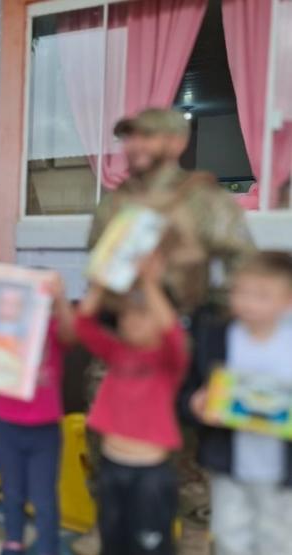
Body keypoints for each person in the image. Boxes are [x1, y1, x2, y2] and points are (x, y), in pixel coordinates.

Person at [87, 108, 254, 314]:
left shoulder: (202, 197)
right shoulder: (115, 200)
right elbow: (96, 260)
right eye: (130, 137)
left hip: (180, 320)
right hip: (117, 320)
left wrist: (218, 314)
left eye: (147, 136)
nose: (135, 145)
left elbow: (243, 260)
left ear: (178, 143)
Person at [76, 253, 188, 555]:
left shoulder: (168, 361)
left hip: (150, 476)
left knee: (150, 546)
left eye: (143, 314)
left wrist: (150, 284)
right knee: (113, 542)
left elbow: (174, 335)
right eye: (127, 314)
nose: (132, 320)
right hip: (111, 468)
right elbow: (83, 325)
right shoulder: (116, 352)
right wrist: (99, 285)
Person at [0, 273, 76, 555]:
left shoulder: (52, 328)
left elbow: (73, 335)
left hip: (45, 429)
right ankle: (14, 540)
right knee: (12, 492)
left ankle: (47, 546)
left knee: (44, 497)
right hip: (6, 425)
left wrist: (60, 298)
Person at [183, 252, 292, 555]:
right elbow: (185, 390)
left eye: (262, 295)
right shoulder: (214, 339)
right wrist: (194, 403)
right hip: (230, 463)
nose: (248, 303)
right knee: (229, 536)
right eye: (240, 292)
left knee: (279, 540)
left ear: (288, 301)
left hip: (281, 470)